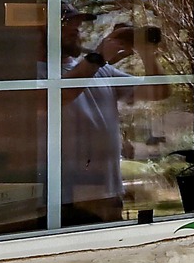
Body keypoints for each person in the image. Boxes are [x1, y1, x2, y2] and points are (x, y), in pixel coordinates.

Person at [60, 14, 170, 225]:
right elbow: (59, 96)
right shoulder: (37, 72)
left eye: (77, 25)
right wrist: (98, 56)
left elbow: (159, 92)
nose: (75, 29)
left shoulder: (100, 70)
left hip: (107, 191)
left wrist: (144, 51)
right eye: (65, 24)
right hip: (63, 196)